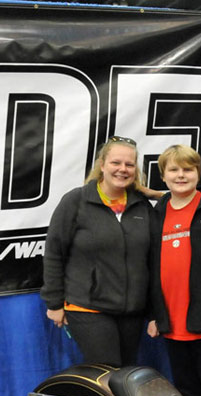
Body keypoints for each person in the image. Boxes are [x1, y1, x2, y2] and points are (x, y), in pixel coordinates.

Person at [40, 136, 156, 367]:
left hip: (132, 311)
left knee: (126, 374)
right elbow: (54, 253)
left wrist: (154, 313)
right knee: (107, 369)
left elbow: (152, 261)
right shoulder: (76, 201)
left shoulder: (142, 205)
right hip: (87, 306)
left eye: (129, 164)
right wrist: (54, 303)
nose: (122, 169)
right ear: (102, 165)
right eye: (116, 163)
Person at [147, 145, 201, 396]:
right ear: (163, 176)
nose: (181, 175)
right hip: (171, 322)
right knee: (186, 394)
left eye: (188, 169)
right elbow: (149, 268)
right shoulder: (155, 214)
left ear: (198, 173)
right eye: (174, 170)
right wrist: (154, 315)